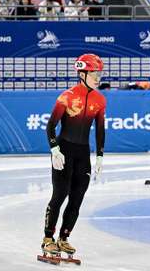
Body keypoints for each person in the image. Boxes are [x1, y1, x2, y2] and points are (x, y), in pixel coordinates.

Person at [41, 53, 106, 261]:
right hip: (64, 151)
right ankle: (48, 238)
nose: (98, 77)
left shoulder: (100, 99)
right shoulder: (67, 96)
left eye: (99, 73)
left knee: (77, 199)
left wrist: (100, 156)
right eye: (94, 73)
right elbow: (51, 126)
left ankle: (64, 237)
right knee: (59, 195)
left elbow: (100, 130)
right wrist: (54, 149)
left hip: (83, 154)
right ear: (82, 73)